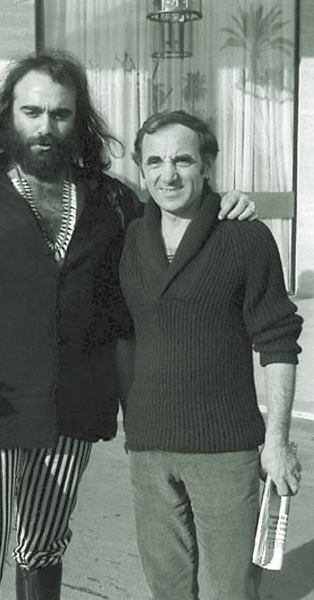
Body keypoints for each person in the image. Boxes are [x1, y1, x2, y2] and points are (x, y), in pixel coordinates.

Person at [0, 52, 255, 600]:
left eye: (60, 114)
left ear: (79, 120)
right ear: (9, 115)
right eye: (32, 112)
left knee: (44, 547)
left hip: (70, 411)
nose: (45, 126)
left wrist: (222, 204)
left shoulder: (111, 203)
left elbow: (171, 229)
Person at [119, 110, 303, 600]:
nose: (168, 174)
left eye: (183, 160)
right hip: (148, 449)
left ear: (206, 165)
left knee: (231, 591)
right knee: (167, 590)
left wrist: (277, 442)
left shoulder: (245, 236)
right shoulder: (130, 239)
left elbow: (278, 341)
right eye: (154, 162)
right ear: (141, 169)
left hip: (225, 450)